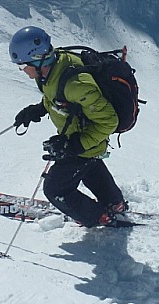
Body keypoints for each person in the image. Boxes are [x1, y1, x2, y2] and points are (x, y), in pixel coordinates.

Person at [10, 26, 128, 227]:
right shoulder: (54, 67)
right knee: (90, 166)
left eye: (23, 66)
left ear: (38, 59)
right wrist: (39, 109)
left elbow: (108, 121)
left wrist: (73, 146)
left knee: (55, 188)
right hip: (85, 142)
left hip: (85, 141)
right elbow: (59, 96)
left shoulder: (76, 85)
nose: (23, 71)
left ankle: (98, 216)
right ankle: (114, 203)